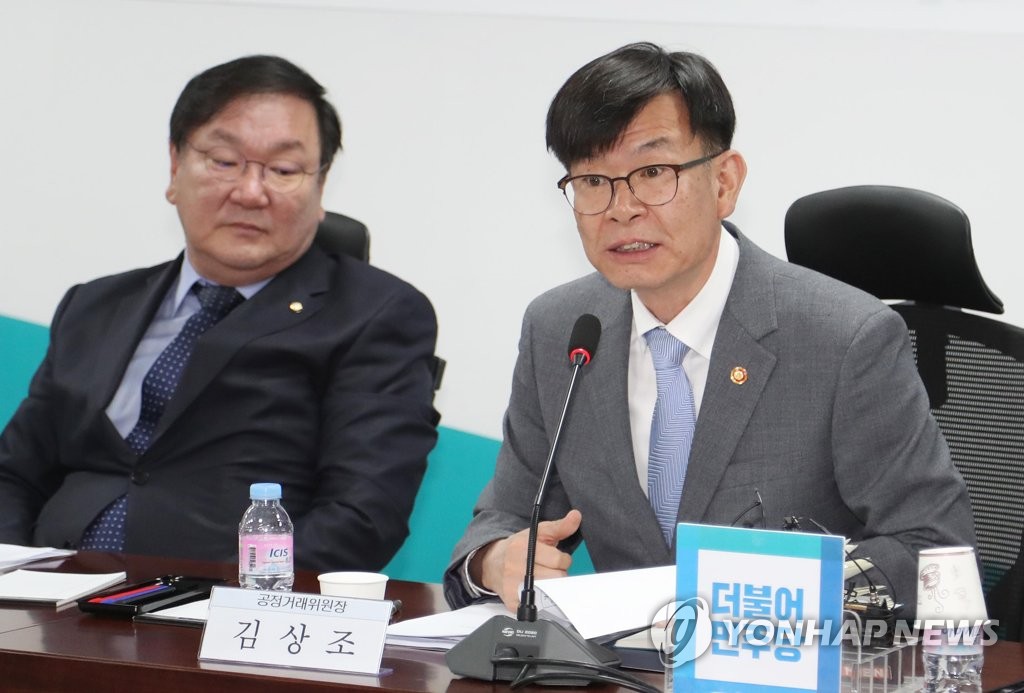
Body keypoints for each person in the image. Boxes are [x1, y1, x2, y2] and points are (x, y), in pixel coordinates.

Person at [444, 42, 976, 615]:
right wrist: (493, 561)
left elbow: (935, 553)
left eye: (653, 172)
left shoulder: (846, 339)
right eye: (593, 180)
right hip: (624, 660)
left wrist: (762, 601)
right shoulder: (562, 330)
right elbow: (504, 519)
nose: (621, 208)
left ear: (725, 182)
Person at [0, 55, 440, 572]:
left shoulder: (375, 315)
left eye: (283, 170)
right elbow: (14, 475)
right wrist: (16, 581)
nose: (250, 192)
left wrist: (224, 598)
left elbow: (363, 514)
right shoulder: (94, 306)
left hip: (218, 605)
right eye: (225, 161)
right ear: (174, 168)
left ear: (320, 187)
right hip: (48, 595)